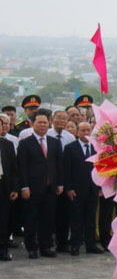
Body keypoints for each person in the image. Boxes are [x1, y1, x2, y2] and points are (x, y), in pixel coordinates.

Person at [17, 109, 63, 259]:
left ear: (49, 123)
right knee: (31, 219)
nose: (43, 125)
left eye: (45, 122)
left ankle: (46, 246)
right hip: (32, 188)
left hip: (50, 187)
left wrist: (60, 184)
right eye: (39, 122)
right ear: (32, 124)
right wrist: (24, 186)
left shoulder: (55, 142)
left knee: (48, 219)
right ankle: (32, 247)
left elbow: (58, 165)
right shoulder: (25, 143)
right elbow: (22, 167)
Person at [64, 122, 104, 256]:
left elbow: (100, 169)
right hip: (77, 189)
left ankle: (90, 245)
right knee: (76, 219)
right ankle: (75, 245)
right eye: (83, 130)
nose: (86, 133)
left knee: (91, 219)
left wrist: (100, 187)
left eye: (88, 130)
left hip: (93, 189)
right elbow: (67, 170)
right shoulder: (70, 148)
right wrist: (69, 188)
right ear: (77, 132)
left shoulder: (97, 148)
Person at [49, 110, 75, 252]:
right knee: (49, 213)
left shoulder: (70, 137)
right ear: (52, 119)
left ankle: (62, 242)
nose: (61, 121)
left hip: (65, 179)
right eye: (58, 118)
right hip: (50, 180)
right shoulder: (46, 135)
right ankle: (47, 241)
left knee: (64, 214)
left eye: (64, 119)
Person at [0, 130, 17, 260]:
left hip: (3, 185)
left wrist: (14, 188)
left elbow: (14, 169)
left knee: (3, 219)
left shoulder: (7, 144)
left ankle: (3, 250)